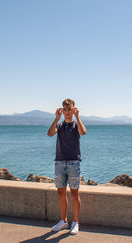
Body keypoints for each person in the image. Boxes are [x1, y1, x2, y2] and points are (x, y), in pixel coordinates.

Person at [47, 98, 87, 235]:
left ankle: (75, 222)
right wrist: (56, 118)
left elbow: (83, 132)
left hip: (73, 163)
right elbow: (50, 133)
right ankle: (63, 221)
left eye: (70, 109)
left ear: (73, 109)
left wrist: (78, 117)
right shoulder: (60, 125)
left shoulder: (76, 125)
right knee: (60, 192)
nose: (68, 112)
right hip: (59, 162)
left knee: (74, 193)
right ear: (62, 111)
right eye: (65, 109)